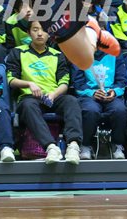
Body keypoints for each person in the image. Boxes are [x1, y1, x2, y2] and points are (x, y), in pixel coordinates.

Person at [6, 21, 83, 165]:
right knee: (28, 106)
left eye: (43, 30)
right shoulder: (17, 52)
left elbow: (64, 83)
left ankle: (73, 146)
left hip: (53, 96)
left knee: (72, 101)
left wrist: (53, 94)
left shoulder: (58, 55)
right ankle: (51, 147)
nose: (40, 33)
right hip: (30, 97)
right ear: (29, 33)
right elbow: (11, 79)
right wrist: (29, 84)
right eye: (35, 30)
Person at [72, 49, 127, 160]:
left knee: (120, 110)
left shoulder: (115, 55)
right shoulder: (79, 55)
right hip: (89, 95)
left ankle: (117, 145)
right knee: (90, 110)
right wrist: (92, 93)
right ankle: (86, 145)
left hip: (111, 94)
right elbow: (78, 84)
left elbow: (122, 80)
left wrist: (114, 91)